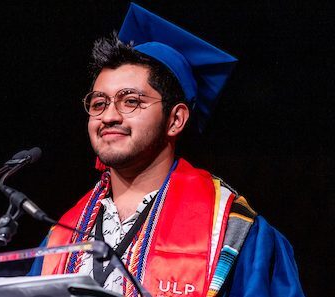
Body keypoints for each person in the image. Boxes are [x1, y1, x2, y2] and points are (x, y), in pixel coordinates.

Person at [29, 3, 304, 297]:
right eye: (99, 103)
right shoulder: (61, 236)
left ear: (175, 120)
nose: (108, 116)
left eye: (130, 101)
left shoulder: (231, 231)